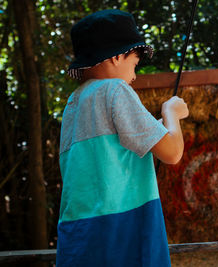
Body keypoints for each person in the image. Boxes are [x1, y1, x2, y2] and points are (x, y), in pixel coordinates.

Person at [56, 9, 188, 267]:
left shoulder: (74, 103)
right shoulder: (115, 90)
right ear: (117, 57)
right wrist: (170, 113)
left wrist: (157, 126)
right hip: (122, 229)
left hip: (79, 233)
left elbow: (110, 150)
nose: (134, 76)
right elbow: (172, 152)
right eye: (134, 64)